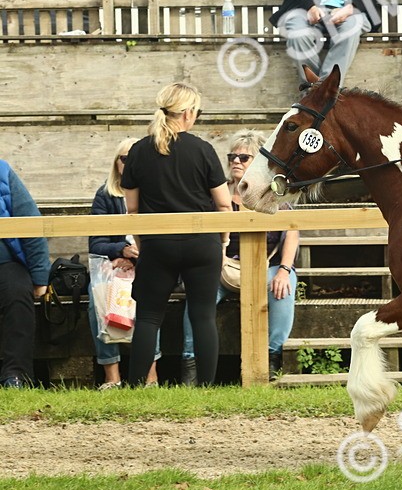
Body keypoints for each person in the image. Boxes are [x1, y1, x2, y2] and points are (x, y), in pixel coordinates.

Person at [121, 83, 232, 386]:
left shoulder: (139, 151)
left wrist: (144, 244)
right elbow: (223, 204)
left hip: (158, 243)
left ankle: (133, 387)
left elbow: (132, 210)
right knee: (203, 317)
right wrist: (223, 242)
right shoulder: (203, 149)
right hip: (202, 242)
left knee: (148, 317)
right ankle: (207, 389)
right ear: (187, 113)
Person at [181, 132, 298, 384]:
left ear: (257, 161)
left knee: (282, 290)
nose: (236, 161)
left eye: (244, 157)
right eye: (232, 156)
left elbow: (291, 232)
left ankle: (271, 363)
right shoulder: (217, 193)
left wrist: (284, 270)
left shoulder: (273, 193)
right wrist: (217, 257)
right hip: (222, 263)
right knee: (198, 293)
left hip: (266, 263)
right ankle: (191, 367)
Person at [88, 138, 161, 388]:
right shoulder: (106, 194)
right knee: (96, 295)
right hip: (115, 268)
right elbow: (95, 243)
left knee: (152, 294)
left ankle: (150, 375)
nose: (129, 164)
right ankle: (112, 376)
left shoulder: (156, 192)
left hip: (147, 265)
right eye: (124, 158)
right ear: (116, 163)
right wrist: (122, 250)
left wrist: (140, 258)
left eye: (135, 159)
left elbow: (162, 237)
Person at [0, 160, 49, 388]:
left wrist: (40, 277)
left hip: (6, 261)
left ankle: (15, 375)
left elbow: (29, 220)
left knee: (19, 294)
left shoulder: (2, 171)